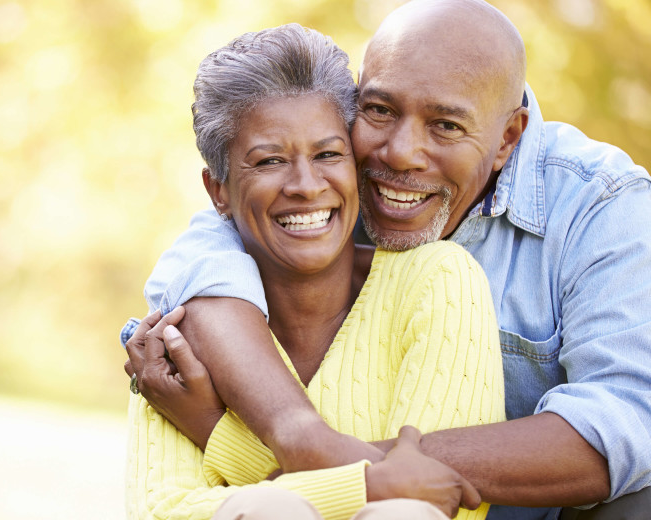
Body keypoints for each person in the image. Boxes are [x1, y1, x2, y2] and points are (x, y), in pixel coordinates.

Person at [123, 0, 651, 519]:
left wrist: (256, 442)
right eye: (380, 110)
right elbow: (203, 259)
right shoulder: (325, 182)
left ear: (507, 137)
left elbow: (626, 423)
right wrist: (312, 446)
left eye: (445, 125)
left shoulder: (601, 205)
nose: (399, 153)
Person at [124, 23, 507, 520]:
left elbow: (434, 505)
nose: (306, 185)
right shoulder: (181, 331)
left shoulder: (437, 282)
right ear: (218, 190)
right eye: (270, 161)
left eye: (328, 154)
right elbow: (166, 509)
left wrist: (218, 433)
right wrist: (367, 486)